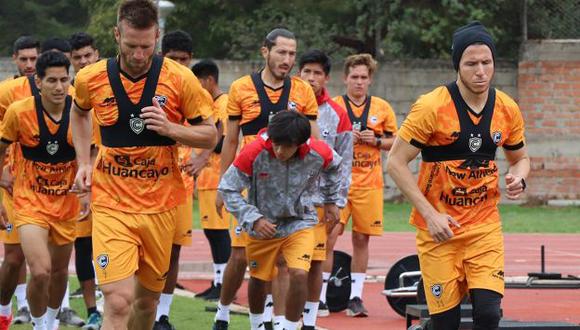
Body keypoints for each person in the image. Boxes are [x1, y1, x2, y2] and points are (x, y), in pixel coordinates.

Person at [70, 0, 217, 328]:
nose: (138, 55)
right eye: (131, 45)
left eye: (146, 46)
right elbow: (79, 112)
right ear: (116, 35)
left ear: (158, 37)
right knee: (119, 300)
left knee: (147, 302)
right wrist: (83, 162)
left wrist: (171, 129)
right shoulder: (90, 77)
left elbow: (210, 135)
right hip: (111, 203)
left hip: (161, 205)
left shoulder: (180, 79)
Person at [386, 22, 530, 330]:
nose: (480, 71)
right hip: (440, 231)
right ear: (457, 66)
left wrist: (519, 176)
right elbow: (395, 163)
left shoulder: (507, 108)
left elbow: (520, 159)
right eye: (471, 63)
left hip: (484, 228)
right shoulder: (431, 107)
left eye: (486, 62)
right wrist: (430, 214)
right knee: (445, 323)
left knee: (489, 315)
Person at [212, 28, 319, 330]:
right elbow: (230, 142)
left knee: (286, 262)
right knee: (238, 256)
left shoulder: (302, 92)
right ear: (265, 52)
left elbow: (312, 146)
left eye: (292, 54)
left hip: (286, 191)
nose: (287, 59)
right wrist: (223, 185)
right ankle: (222, 311)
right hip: (250, 187)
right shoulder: (241, 88)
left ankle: (277, 323)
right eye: (281, 52)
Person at [218, 111, 342, 330]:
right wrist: (253, 219)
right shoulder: (254, 151)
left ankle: (288, 326)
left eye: (286, 146)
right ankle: (257, 325)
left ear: (300, 144)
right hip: (263, 224)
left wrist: (332, 200)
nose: (279, 151)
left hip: (300, 221)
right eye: (276, 145)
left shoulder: (317, 151)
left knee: (299, 273)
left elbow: (334, 166)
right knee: (258, 279)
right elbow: (228, 188)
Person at [0, 50, 81, 330]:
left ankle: (50, 321)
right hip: (29, 201)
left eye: (64, 80)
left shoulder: (80, 113)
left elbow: (92, 155)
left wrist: (88, 190)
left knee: (59, 273)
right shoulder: (19, 112)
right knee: (42, 270)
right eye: (52, 81)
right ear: (38, 82)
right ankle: (39, 325)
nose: (59, 87)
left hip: (67, 204)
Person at [329, 53, 397, 317]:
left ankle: (355, 297)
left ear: (370, 80)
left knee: (361, 239)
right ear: (345, 78)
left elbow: (396, 140)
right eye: (354, 77)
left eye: (363, 78)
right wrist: (345, 137)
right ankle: (321, 297)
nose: (359, 82)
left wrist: (376, 140)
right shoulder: (334, 106)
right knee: (329, 236)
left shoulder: (381, 107)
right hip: (337, 184)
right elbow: (321, 139)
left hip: (369, 182)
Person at [297, 50, 353, 328]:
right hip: (289, 201)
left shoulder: (338, 114)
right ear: (299, 74)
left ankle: (310, 317)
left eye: (317, 73)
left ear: (327, 78)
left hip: (320, 201)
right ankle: (277, 315)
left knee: (317, 261)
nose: (311, 78)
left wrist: (338, 201)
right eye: (306, 71)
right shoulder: (287, 108)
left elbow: (344, 161)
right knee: (285, 264)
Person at [152, 29, 199, 330]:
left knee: (174, 249)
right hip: (150, 181)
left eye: (184, 59)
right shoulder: (151, 83)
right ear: (161, 55)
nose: (180, 64)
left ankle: (163, 315)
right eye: (173, 59)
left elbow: (214, 129)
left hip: (181, 182)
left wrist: (203, 159)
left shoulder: (194, 89)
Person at [0, 35, 40, 330]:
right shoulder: (7, 93)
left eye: (33, 59)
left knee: (48, 265)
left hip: (50, 190)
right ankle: (3, 310)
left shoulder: (65, 92)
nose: (29, 65)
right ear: (14, 59)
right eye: (23, 59)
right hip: (16, 188)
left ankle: (46, 318)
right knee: (13, 258)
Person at [69, 31, 103, 330]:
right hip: (75, 183)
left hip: (111, 183)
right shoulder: (66, 95)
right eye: (77, 57)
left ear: (97, 55)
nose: (83, 62)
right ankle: (92, 309)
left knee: (106, 244)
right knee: (81, 246)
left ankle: (109, 303)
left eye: (87, 56)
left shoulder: (109, 88)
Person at [190, 59, 231, 302]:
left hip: (218, 178)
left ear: (209, 81)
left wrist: (200, 139)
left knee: (219, 233)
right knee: (211, 233)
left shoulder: (223, 104)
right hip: (207, 178)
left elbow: (222, 142)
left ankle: (224, 284)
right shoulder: (210, 105)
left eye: (198, 84)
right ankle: (217, 281)